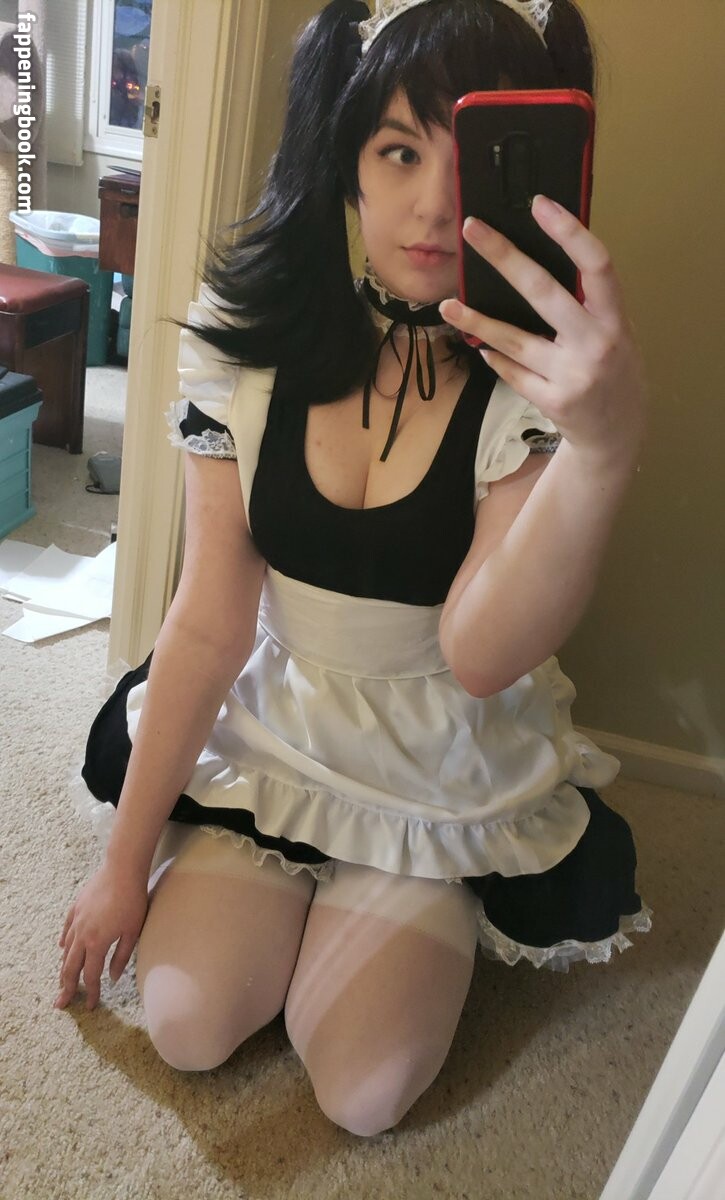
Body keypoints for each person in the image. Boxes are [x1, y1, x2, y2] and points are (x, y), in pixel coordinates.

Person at [55, 0, 652, 1138]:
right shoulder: (248, 343)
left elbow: (478, 656)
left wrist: (604, 450)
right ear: (346, 163)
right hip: (278, 719)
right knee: (186, 1024)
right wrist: (118, 867)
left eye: (466, 158)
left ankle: (396, 896)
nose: (431, 205)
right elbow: (207, 620)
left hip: (434, 756)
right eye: (397, 151)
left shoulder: (535, 382)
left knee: (363, 1093)